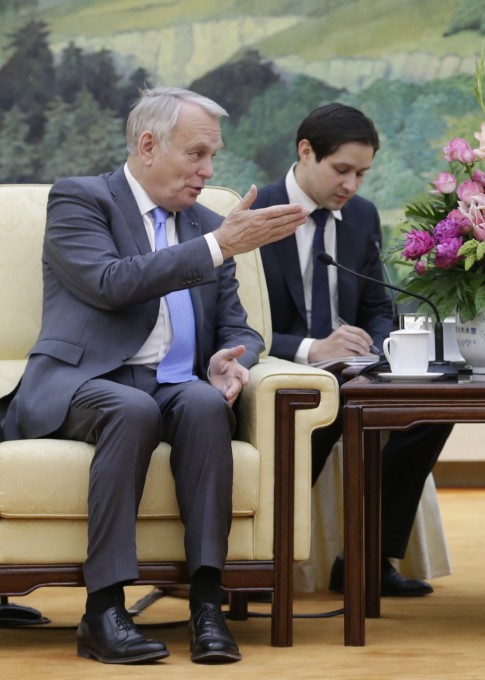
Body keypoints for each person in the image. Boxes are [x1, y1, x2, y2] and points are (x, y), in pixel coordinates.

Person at [0, 86, 308, 664]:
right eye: (196, 154)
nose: (208, 170)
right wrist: (219, 245)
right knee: (131, 407)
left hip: (173, 386)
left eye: (212, 156)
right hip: (82, 382)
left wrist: (230, 357)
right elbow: (112, 282)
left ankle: (208, 607)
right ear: (148, 144)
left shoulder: (207, 226)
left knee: (200, 403)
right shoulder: (81, 201)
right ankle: (104, 611)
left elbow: (241, 328)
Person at [254, 103, 453, 597]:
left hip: (354, 365)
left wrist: (382, 346)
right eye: (342, 170)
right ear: (305, 152)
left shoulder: (360, 216)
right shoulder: (255, 213)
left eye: (362, 173)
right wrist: (312, 349)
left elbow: (376, 305)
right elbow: (238, 325)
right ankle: (266, 559)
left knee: (433, 408)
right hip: (283, 365)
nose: (352, 185)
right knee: (331, 399)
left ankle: (367, 558)